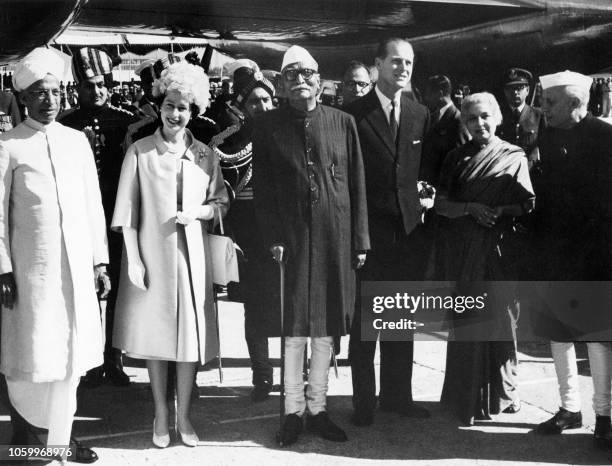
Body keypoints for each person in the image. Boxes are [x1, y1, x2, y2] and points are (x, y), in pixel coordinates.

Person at [252, 45, 369, 445]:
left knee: (327, 328)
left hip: (335, 239)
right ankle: (292, 411)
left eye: (307, 74)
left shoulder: (343, 122)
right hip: (293, 242)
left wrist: (360, 240)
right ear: (281, 85)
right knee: (294, 328)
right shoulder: (267, 126)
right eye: (291, 76)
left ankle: (318, 409)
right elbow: (263, 190)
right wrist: (272, 237)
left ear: (320, 80)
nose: (300, 81)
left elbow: (356, 184)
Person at [0, 47, 110, 464]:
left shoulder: (76, 141)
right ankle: (29, 439)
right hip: (31, 274)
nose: (50, 101)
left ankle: (61, 441)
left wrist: (100, 261)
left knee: (70, 357)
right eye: (40, 94)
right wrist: (3, 270)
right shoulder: (9, 146)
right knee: (30, 355)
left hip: (76, 271)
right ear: (24, 98)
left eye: (56, 92)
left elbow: (93, 206)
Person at [111, 61, 228, 448]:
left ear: (194, 111)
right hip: (153, 256)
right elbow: (126, 214)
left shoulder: (205, 155)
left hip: (193, 258)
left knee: (190, 341)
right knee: (157, 337)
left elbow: (220, 203)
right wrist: (135, 260)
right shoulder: (140, 152)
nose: (175, 114)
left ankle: (184, 415)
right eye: (169, 105)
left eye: (184, 107)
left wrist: (200, 212)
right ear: (159, 107)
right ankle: (161, 412)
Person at [345, 38, 433, 427]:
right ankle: (364, 403)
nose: (403, 68)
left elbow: (421, 170)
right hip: (369, 236)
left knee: (400, 323)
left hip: (408, 236)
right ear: (378, 64)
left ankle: (399, 398)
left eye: (409, 62)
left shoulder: (419, 113)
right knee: (365, 327)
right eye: (396, 61)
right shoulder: (352, 115)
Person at [434, 92, 534, 425]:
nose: (480, 124)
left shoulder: (513, 155)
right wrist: (469, 209)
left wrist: (502, 210)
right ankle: (464, 395)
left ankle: (505, 395)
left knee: (503, 323)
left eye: (486, 116)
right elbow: (440, 205)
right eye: (472, 118)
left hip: (499, 251)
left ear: (498, 118)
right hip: (465, 252)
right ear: (464, 122)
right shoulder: (454, 159)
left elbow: (527, 204)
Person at [532, 71, 612, 448]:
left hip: (594, 256)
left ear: (576, 104)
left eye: (550, 102)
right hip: (555, 255)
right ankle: (569, 408)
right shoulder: (547, 138)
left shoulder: (605, 138)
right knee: (558, 334)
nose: (543, 108)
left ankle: (604, 415)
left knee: (597, 338)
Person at [59, 47, 138, 387]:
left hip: (116, 215)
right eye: (90, 85)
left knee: (118, 290)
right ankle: (90, 360)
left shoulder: (124, 121)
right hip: (82, 218)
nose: (99, 91)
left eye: (103, 84)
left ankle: (114, 358)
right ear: (78, 88)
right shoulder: (66, 124)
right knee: (87, 290)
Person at [209, 60, 276, 402]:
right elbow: (219, 179)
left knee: (291, 304)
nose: (262, 107)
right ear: (242, 107)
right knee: (255, 306)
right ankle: (262, 376)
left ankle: (298, 372)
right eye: (254, 102)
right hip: (248, 232)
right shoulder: (230, 141)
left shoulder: (288, 131)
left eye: (267, 101)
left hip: (283, 231)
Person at [421, 74, 470, 187]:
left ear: (440, 94)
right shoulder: (432, 117)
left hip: (447, 188)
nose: (426, 98)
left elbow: (462, 160)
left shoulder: (458, 121)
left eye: (429, 94)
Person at [497, 68, 544, 168]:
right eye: (511, 88)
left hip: (531, 172)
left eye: (519, 88)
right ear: (505, 91)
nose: (515, 92)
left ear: (527, 90)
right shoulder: (497, 114)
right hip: (504, 171)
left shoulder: (539, 115)